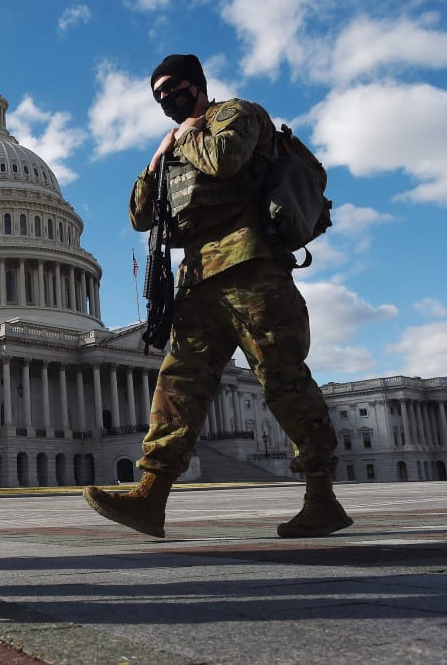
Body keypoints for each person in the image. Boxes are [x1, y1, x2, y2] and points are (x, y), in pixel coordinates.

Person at [83, 54, 353, 539]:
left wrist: (184, 135)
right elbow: (140, 215)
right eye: (158, 95)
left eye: (172, 89)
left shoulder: (236, 115)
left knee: (282, 378)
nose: (165, 100)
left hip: (252, 267)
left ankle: (321, 495)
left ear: (196, 85)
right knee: (177, 385)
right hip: (198, 278)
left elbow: (225, 160)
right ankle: (150, 495)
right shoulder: (176, 143)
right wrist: (156, 157)